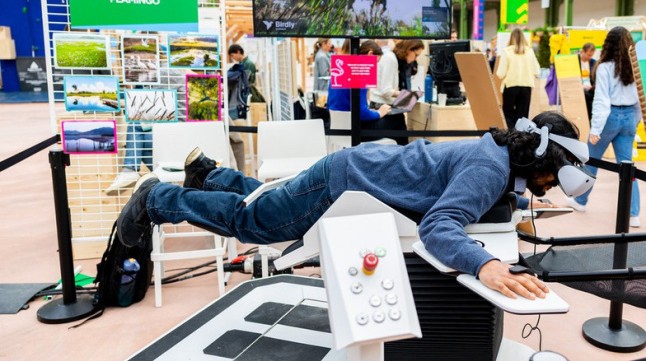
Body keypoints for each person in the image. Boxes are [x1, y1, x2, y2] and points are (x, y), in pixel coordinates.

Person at [116, 111, 593, 300]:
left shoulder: (495, 153)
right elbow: (439, 228)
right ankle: (159, 198)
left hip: (355, 168)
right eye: (552, 176)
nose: (549, 187)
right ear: (536, 158)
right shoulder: (489, 171)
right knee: (256, 225)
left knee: (273, 202)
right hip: (342, 184)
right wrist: (485, 264)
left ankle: (210, 175)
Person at [565, 26, 642, 228]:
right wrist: (635, 121)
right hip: (629, 117)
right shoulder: (636, 65)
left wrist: (596, 129)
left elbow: (601, 100)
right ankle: (633, 214)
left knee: (591, 159)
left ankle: (580, 201)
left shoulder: (605, 67)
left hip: (610, 118)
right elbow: (640, 98)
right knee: (627, 166)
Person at [327, 40, 409, 144]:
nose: (374, 67)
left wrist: (370, 111)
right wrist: (379, 113)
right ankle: (404, 155)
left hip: (338, 127)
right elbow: (362, 114)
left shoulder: (339, 70)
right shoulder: (360, 72)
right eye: (376, 63)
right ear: (370, 54)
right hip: (356, 131)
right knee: (398, 118)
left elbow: (331, 103)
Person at [497, 28, 541, 129]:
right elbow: (537, 70)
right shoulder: (529, 52)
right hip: (526, 87)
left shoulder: (507, 52)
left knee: (508, 114)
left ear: (511, 38)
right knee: (522, 115)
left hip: (510, 86)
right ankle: (520, 138)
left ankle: (510, 135)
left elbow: (500, 73)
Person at [226, 44, 256, 175]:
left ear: (238, 52)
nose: (233, 59)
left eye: (233, 56)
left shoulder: (246, 64)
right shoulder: (244, 64)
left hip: (239, 107)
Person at [578, 42, 597, 120]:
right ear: (582, 51)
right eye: (588, 55)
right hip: (578, 88)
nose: (590, 57)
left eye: (591, 55)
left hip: (590, 88)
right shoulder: (574, 61)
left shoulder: (593, 62)